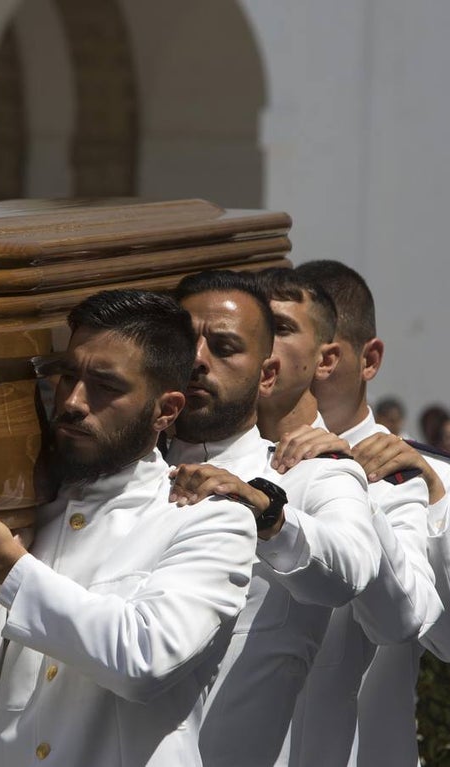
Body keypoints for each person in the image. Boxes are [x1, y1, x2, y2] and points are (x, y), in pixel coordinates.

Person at [0, 289, 256, 766]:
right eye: (67, 376)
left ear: (166, 410)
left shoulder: (209, 519)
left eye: (105, 386)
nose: (72, 401)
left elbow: (144, 661)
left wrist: (13, 569)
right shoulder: (28, 516)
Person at [285, 260, 450, 767]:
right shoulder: (249, 465)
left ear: (368, 359)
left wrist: (428, 491)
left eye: (323, 353)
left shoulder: (434, 477)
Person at [163, 269, 379, 766]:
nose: (197, 361)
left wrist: (269, 516)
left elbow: (350, 569)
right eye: (184, 343)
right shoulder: (123, 481)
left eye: (223, 347)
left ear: (266, 373)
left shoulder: (307, 478)